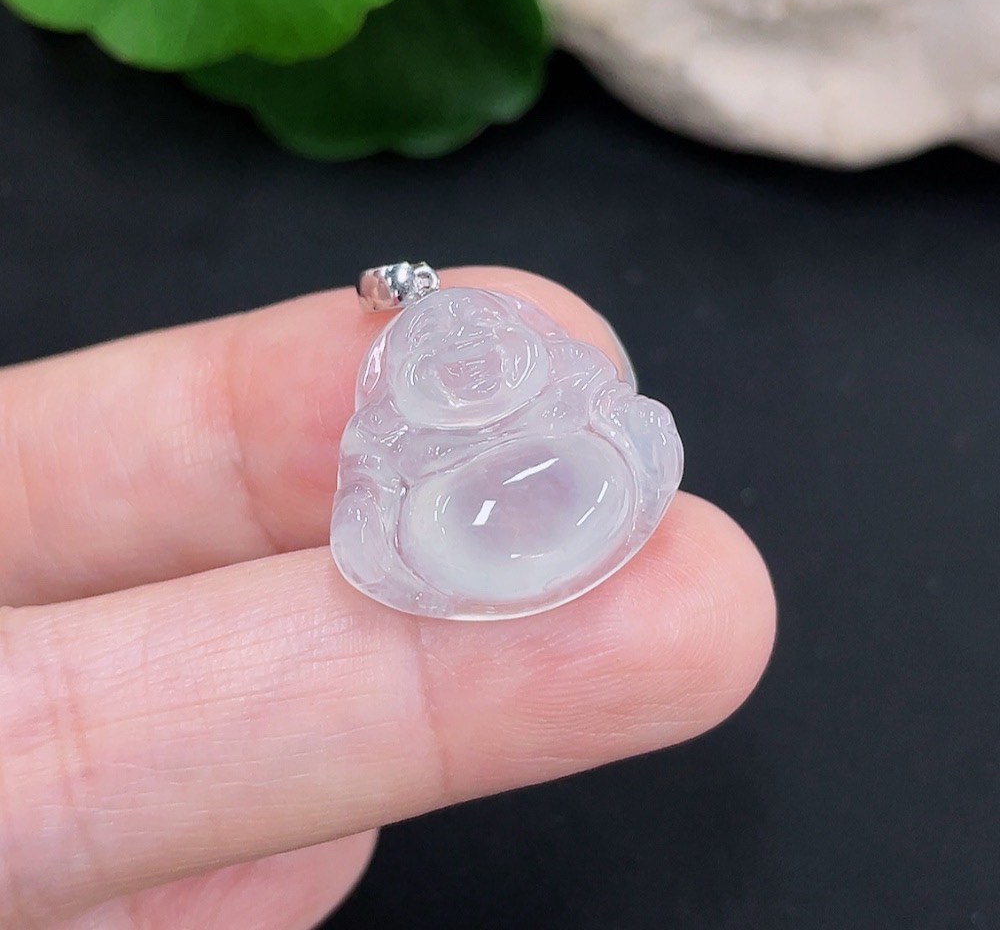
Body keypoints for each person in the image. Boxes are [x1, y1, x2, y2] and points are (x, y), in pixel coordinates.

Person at [0, 268, 776, 930]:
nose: (468, 365)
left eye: (482, 345)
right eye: (443, 356)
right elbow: (368, 514)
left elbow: (631, 420)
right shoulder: (394, 434)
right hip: (454, 520)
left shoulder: (569, 383)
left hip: (576, 478)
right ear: (406, 373)